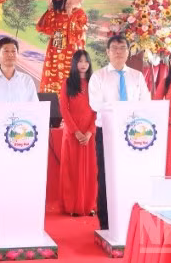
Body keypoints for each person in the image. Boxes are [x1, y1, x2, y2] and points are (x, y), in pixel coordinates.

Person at [0, 37, 39, 234]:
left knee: (19, 183)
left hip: (22, 142)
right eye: (6, 51)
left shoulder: (27, 81)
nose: (10, 55)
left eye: (13, 51)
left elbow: (34, 109)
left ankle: (19, 223)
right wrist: (6, 111)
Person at [88, 35, 150, 230]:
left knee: (131, 173)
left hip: (133, 135)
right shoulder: (98, 76)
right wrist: (121, 110)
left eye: (122, 47)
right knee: (107, 175)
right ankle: (106, 222)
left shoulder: (137, 76)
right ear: (107, 52)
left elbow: (145, 102)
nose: (118, 51)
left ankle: (130, 220)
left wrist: (130, 114)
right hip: (107, 132)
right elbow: (96, 104)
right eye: (114, 48)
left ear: (128, 51)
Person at [59, 50, 97, 216]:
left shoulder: (94, 83)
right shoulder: (67, 83)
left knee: (90, 170)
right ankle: (72, 206)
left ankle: (88, 205)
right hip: (72, 134)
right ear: (74, 63)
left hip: (90, 133)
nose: (83, 64)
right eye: (80, 61)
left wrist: (89, 132)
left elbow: (97, 110)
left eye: (86, 61)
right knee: (71, 170)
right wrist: (75, 131)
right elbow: (63, 110)